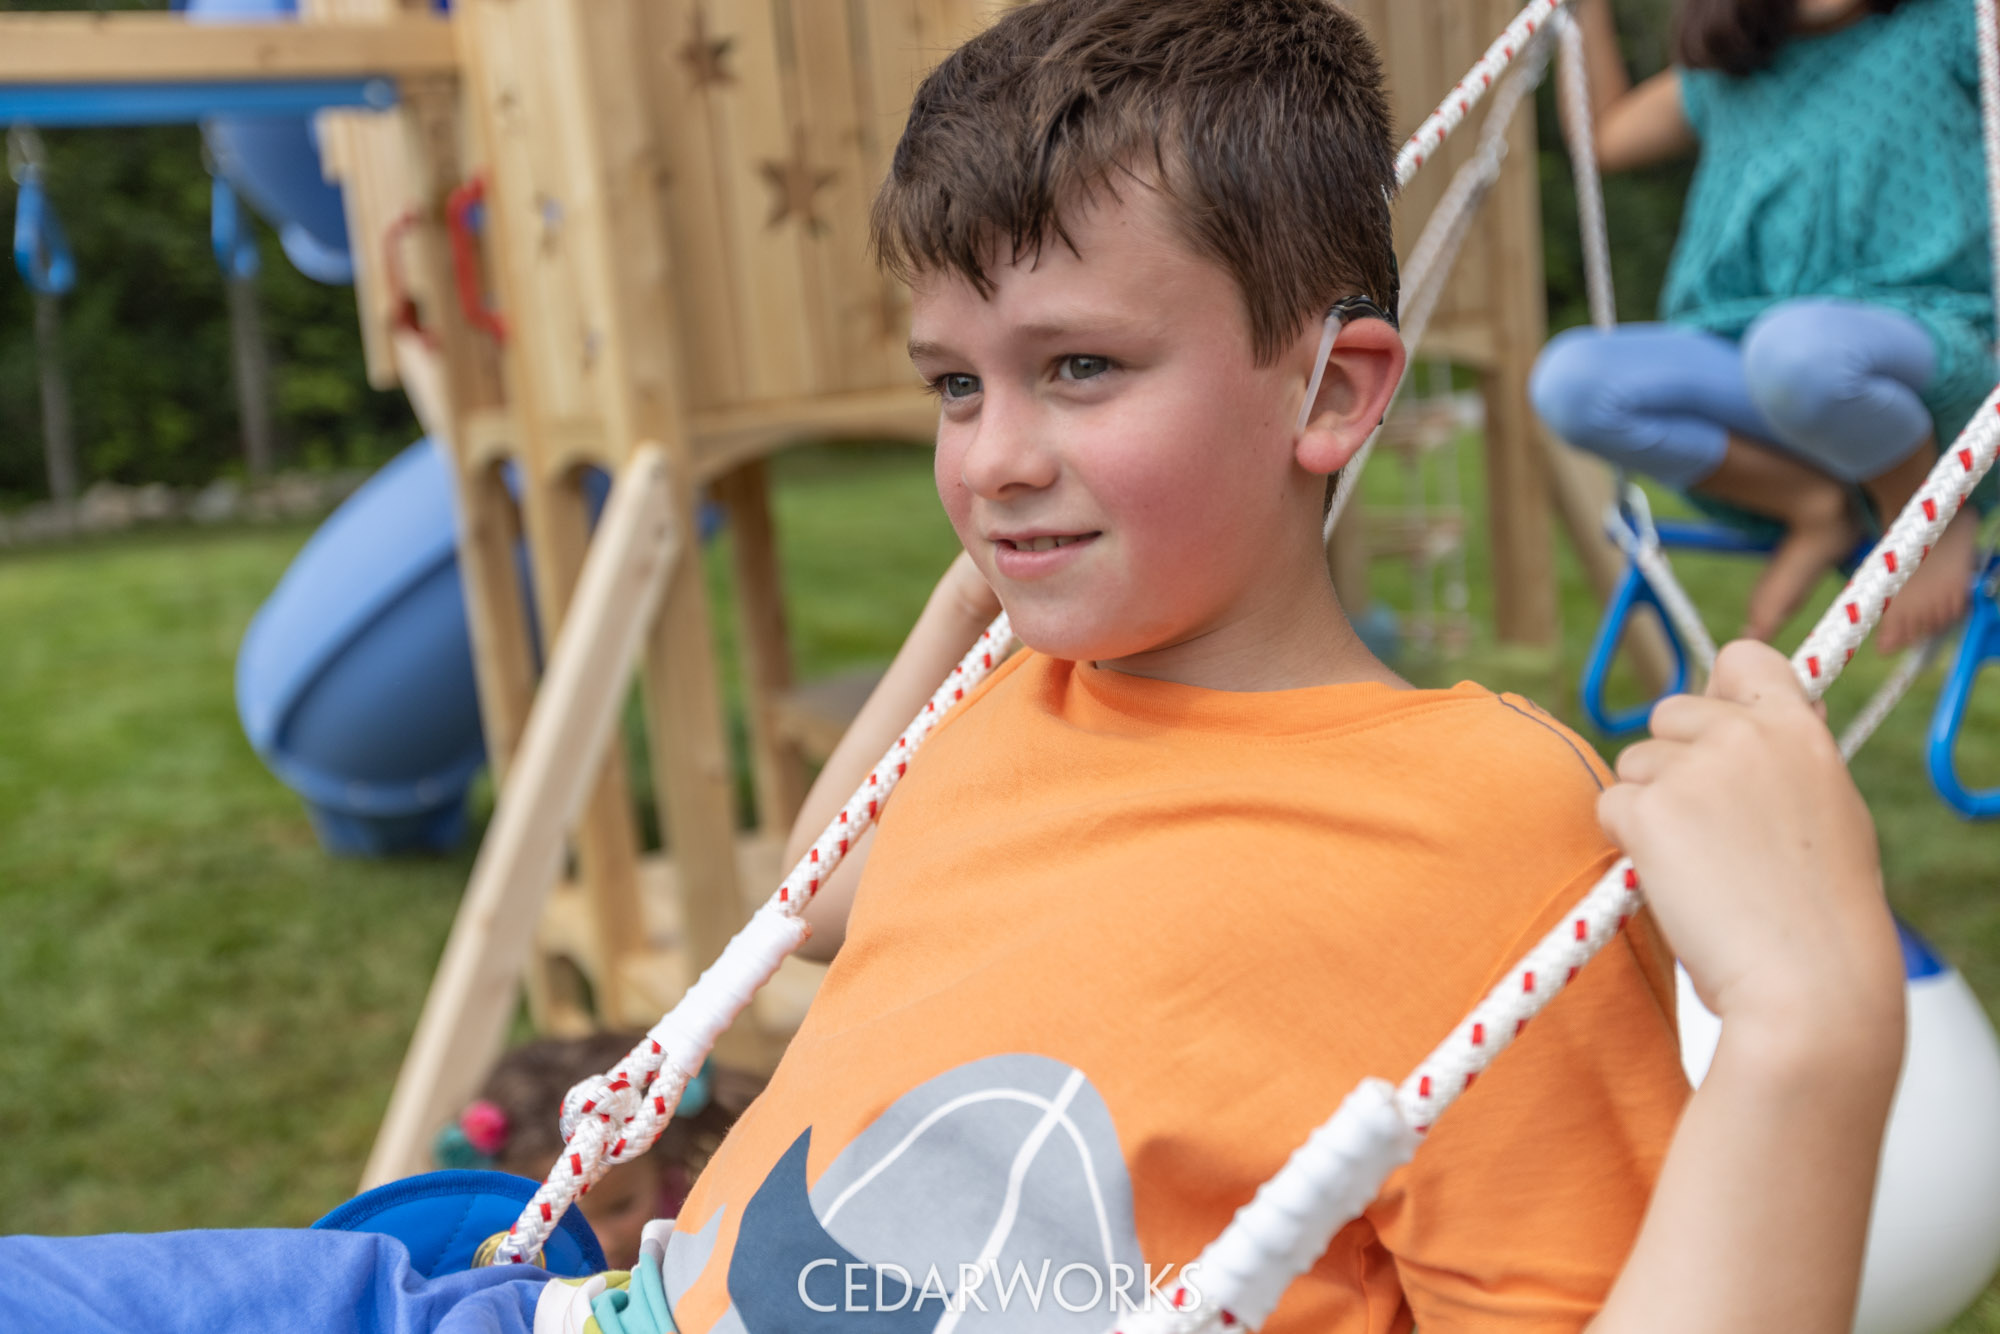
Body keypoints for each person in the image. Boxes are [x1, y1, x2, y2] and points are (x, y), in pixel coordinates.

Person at [0, 2, 1908, 1331]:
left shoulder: (1488, 827)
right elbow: (821, 898)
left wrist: (1811, 1032)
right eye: (951, 386)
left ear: (1333, 391)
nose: (991, 454)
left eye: (1079, 366)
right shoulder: (1017, 697)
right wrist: (999, 586)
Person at [1530, 0, 1995, 652]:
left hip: (1924, 342)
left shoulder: (1950, 27)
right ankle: (1811, 505)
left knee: (1798, 355)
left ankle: (1924, 518)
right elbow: (1602, 136)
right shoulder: (1728, 72)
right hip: (1753, 362)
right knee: (1569, 380)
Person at [430, 1035, 764, 1270]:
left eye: (621, 1207)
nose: (602, 1243)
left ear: (661, 1168)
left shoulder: (691, 1220)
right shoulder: (500, 1257)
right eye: (561, 1217)